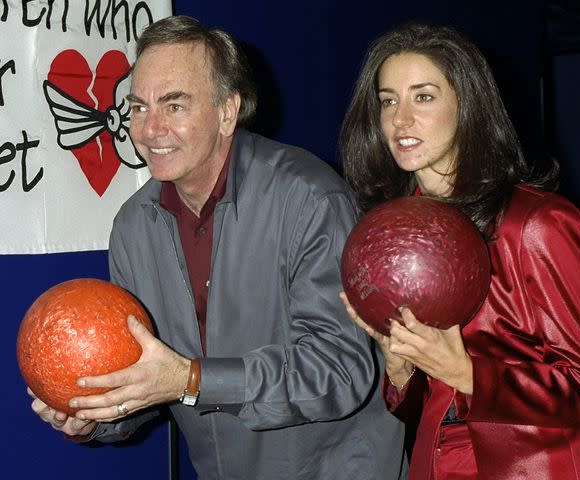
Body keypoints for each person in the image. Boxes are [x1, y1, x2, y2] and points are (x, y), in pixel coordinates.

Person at [28, 15, 408, 480]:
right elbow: (151, 382)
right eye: (138, 107)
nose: (149, 129)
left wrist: (192, 379)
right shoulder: (131, 228)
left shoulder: (308, 197)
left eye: (174, 105)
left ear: (228, 111)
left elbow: (341, 370)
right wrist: (94, 416)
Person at [339, 22, 580, 480]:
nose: (400, 119)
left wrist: (468, 373)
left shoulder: (536, 224)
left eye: (423, 96)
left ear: (466, 106)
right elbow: (423, 409)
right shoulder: (396, 235)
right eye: (388, 100)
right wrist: (400, 368)